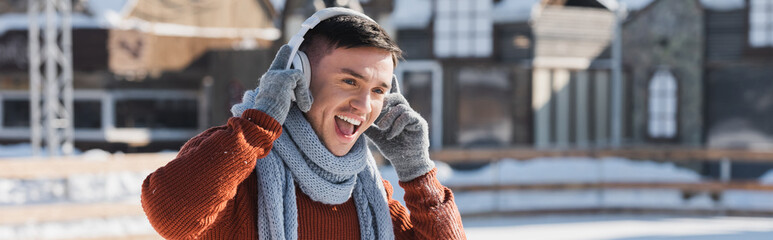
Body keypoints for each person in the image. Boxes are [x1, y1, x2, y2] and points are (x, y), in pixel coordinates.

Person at [141, 7, 465, 240]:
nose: (365, 106)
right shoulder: (238, 170)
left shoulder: (370, 199)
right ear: (300, 80)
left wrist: (417, 171)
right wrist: (257, 126)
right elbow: (170, 216)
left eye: (378, 90)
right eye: (350, 82)